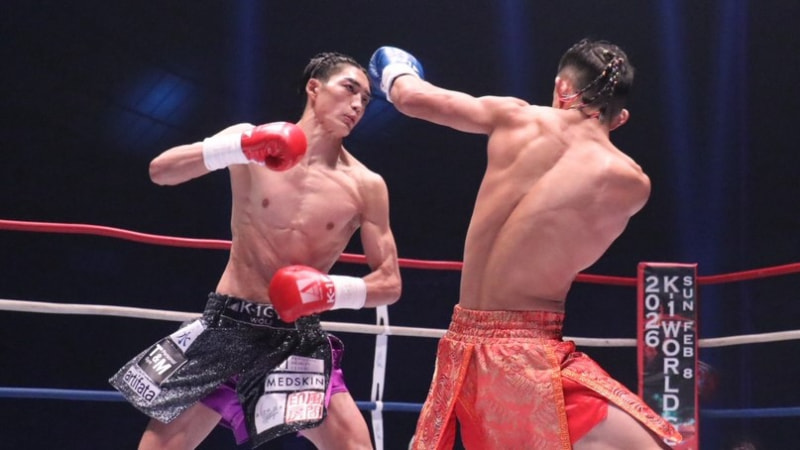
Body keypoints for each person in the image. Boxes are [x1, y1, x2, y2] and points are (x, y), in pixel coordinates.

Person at [368, 41, 683, 449]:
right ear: (621, 117)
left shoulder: (514, 116)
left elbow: (411, 98)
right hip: (528, 362)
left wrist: (394, 69)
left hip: (461, 355)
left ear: (562, 87)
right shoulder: (631, 182)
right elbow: (579, 254)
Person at [110, 52, 402, 450]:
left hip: (295, 338)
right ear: (314, 88)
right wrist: (241, 146)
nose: (357, 105)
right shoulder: (251, 143)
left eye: (365, 100)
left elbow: (390, 283)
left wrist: (330, 290)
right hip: (228, 326)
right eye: (349, 89)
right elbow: (161, 170)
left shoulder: (367, 185)